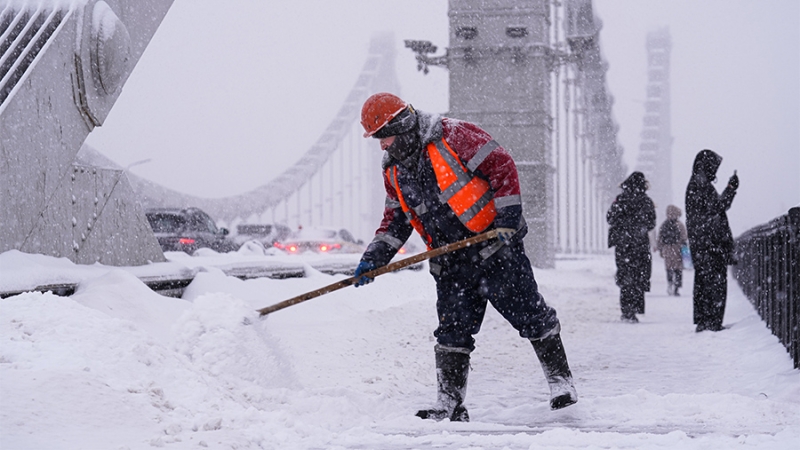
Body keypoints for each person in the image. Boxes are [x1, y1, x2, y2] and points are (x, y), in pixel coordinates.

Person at [352, 92, 577, 421]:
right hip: (450, 261)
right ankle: (450, 403)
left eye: (382, 137)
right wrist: (375, 258)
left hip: (495, 247)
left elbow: (502, 168)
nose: (381, 146)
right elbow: (395, 220)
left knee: (529, 313)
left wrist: (507, 222)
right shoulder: (393, 170)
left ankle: (561, 382)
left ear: (400, 126)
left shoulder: (454, 135)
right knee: (452, 330)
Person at [685, 149, 739, 332]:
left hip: (702, 243)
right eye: (713, 166)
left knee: (704, 281)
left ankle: (704, 320)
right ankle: (712, 322)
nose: (715, 171)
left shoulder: (696, 184)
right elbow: (718, 207)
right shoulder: (700, 185)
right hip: (710, 244)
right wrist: (731, 189)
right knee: (715, 283)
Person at [606, 172, 656, 323]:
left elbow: (610, 217)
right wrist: (638, 226)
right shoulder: (646, 201)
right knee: (639, 275)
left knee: (625, 274)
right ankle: (635, 307)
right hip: (640, 244)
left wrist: (623, 226)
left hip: (623, 244)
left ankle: (626, 310)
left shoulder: (620, 199)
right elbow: (652, 223)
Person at [656, 205, 688, 296]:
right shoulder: (679, 225)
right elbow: (684, 237)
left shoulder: (664, 225)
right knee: (677, 269)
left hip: (669, 249)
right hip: (676, 249)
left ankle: (671, 284)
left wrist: (660, 248)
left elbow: (660, 238)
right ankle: (676, 287)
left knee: (670, 268)